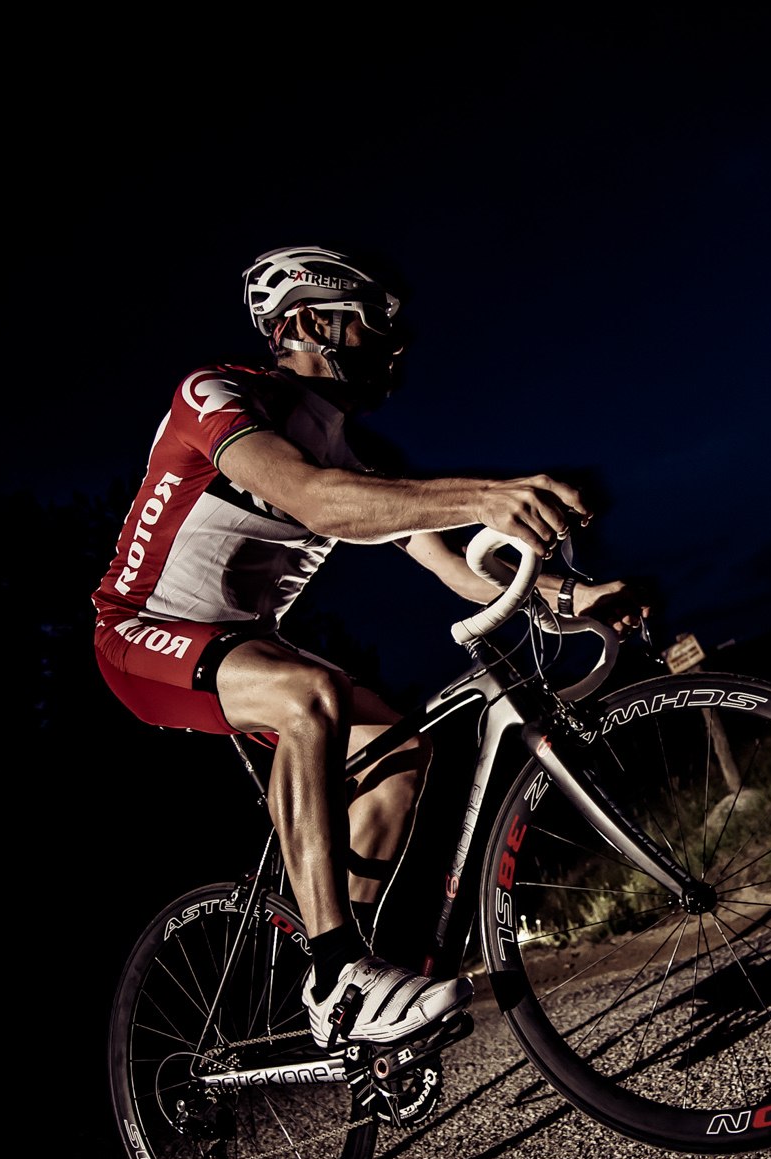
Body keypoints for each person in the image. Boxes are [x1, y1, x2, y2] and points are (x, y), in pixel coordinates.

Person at [90, 244, 649, 1050]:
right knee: (308, 694)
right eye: (374, 323)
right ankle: (336, 971)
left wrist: (575, 597)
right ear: (311, 323)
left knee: (401, 749)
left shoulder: (362, 453)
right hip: (137, 632)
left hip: (242, 644)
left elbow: (460, 572)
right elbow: (319, 502)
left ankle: (356, 997)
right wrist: (488, 493)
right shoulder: (216, 394)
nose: (397, 342)